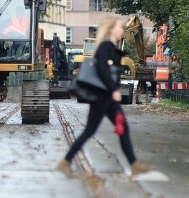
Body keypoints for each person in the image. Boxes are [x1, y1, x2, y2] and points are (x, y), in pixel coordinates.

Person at [56, 17, 151, 178]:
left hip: (106, 96)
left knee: (121, 128)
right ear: (111, 29)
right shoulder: (105, 46)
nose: (122, 30)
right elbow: (103, 69)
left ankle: (134, 165)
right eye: (119, 27)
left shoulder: (110, 46)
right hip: (103, 96)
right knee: (91, 130)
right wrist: (113, 88)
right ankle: (65, 162)